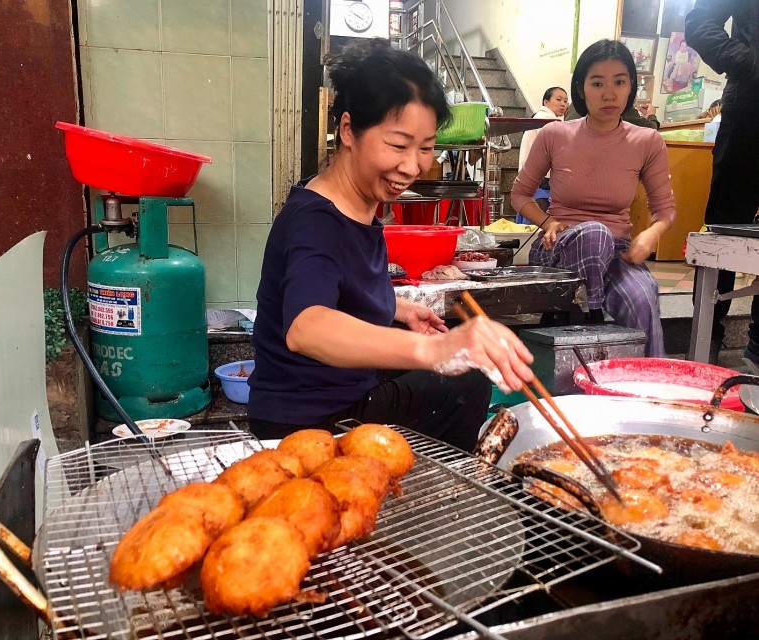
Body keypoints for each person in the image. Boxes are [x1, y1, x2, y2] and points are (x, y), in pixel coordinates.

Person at [247, 39, 534, 450]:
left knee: (455, 363)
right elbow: (306, 328)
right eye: (398, 145)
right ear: (348, 130)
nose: (413, 165)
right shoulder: (316, 222)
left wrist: (395, 308)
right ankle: (447, 491)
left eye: (426, 148)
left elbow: (339, 286)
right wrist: (433, 349)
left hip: (336, 394)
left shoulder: (359, 203)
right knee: (465, 381)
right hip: (308, 424)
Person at [510, 39, 677, 357]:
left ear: (631, 87)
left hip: (617, 253)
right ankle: (593, 315)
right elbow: (520, 194)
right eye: (597, 83)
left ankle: (648, 383)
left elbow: (664, 210)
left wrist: (650, 236)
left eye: (619, 82)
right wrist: (546, 221)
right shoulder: (554, 134)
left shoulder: (647, 141)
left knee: (643, 296)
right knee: (593, 233)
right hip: (558, 250)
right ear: (581, 89)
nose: (609, 93)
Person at [685, 0, 759, 368]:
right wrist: (745, 61)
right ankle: (706, 338)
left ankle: (758, 347)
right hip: (749, 110)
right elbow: (699, 20)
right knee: (723, 230)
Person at [515, 86, 569, 223]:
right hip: (541, 182)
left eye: (565, 101)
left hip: (528, 178)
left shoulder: (538, 118)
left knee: (526, 225)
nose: (563, 104)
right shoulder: (548, 122)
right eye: (558, 99)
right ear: (546, 102)